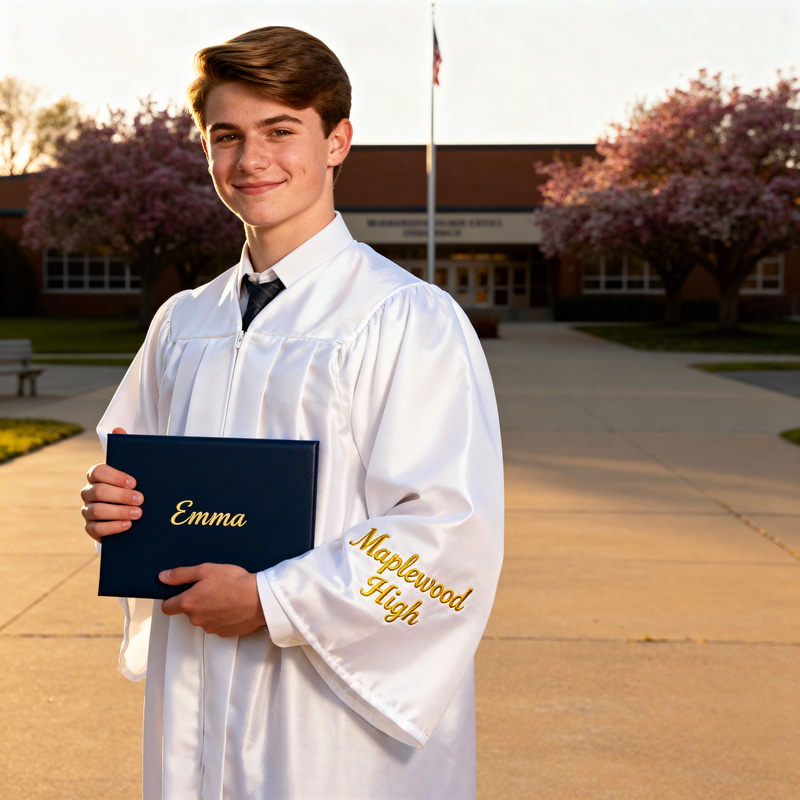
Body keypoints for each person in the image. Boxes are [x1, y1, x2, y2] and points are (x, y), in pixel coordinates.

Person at [81, 25, 503, 800]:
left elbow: (449, 531)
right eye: (227, 136)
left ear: (338, 140)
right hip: (196, 678)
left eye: (281, 131)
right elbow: (131, 464)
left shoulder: (407, 318)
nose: (251, 161)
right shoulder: (183, 322)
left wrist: (274, 600)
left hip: (331, 717)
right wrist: (113, 506)